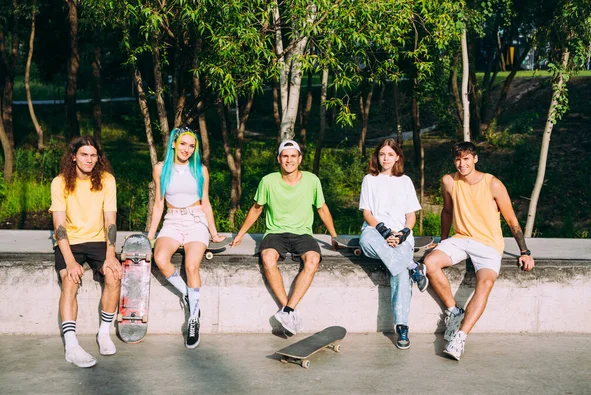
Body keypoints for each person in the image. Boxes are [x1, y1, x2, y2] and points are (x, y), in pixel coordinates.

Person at [424, 141, 535, 361]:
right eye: (457, 159)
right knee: (429, 263)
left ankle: (460, 337)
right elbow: (447, 212)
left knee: (484, 284)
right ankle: (454, 311)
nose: (461, 164)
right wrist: (443, 242)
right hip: (460, 239)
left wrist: (525, 251)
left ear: (475, 158)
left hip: (488, 244)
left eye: (466, 159)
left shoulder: (492, 183)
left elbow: (511, 218)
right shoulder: (449, 181)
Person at [231, 140, 338, 335]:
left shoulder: (312, 180)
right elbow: (257, 209)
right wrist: (240, 234)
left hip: (303, 233)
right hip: (275, 232)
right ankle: (288, 309)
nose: (289, 160)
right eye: (285, 156)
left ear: (300, 159)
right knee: (267, 257)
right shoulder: (268, 181)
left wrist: (333, 235)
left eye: (293, 156)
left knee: (313, 260)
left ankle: (287, 310)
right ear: (279, 159)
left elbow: (322, 208)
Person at [147, 127, 225, 350]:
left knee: (191, 266)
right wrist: (150, 235)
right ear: (173, 143)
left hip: (196, 221)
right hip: (172, 221)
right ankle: (191, 296)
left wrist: (213, 232)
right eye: (183, 144)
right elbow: (159, 204)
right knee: (160, 258)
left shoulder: (200, 169)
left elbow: (206, 203)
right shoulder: (160, 169)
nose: (187, 150)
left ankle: (193, 320)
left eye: (191, 146)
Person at [49, 136, 122, 368]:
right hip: (69, 241)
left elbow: (110, 221)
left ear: (98, 158)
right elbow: (59, 227)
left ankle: (103, 333)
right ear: (74, 156)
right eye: (84, 155)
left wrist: (110, 256)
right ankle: (71, 345)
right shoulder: (59, 182)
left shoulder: (107, 180)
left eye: (93, 155)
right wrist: (70, 262)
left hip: (98, 240)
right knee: (69, 281)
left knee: (114, 275)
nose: (89, 160)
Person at [358, 139, 427, 350]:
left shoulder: (405, 181)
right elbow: (367, 213)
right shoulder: (369, 180)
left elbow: (411, 217)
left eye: (390, 154)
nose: (386, 158)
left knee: (399, 273)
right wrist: (384, 231)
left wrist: (403, 234)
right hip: (375, 232)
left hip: (401, 234)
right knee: (366, 242)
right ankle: (413, 266)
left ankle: (402, 326)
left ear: (397, 157)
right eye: (382, 154)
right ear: (377, 157)